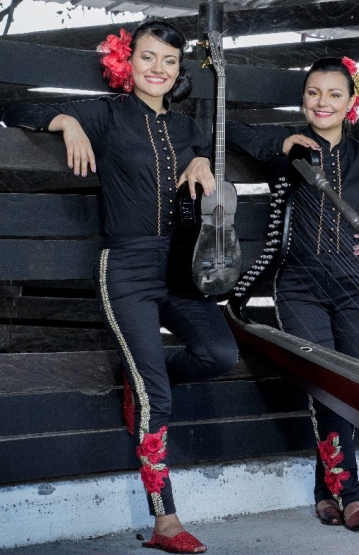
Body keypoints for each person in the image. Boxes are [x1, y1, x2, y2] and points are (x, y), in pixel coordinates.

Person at [2, 21, 239, 553]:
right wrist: (65, 121)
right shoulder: (104, 113)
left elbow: (204, 151)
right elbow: (15, 109)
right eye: (148, 58)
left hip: (181, 270)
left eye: (169, 62)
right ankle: (166, 523)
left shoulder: (187, 128)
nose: (158, 69)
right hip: (126, 269)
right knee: (157, 397)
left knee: (220, 353)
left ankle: (143, 383)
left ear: (179, 72)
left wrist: (200, 157)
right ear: (126, 63)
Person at [226, 57, 359, 531]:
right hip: (299, 285)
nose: (322, 102)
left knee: (342, 390)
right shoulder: (286, 150)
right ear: (303, 98)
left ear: (351, 101)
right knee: (325, 384)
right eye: (314, 92)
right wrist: (280, 142)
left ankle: (324, 491)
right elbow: (227, 128)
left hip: (356, 286)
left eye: (334, 94)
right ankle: (350, 496)